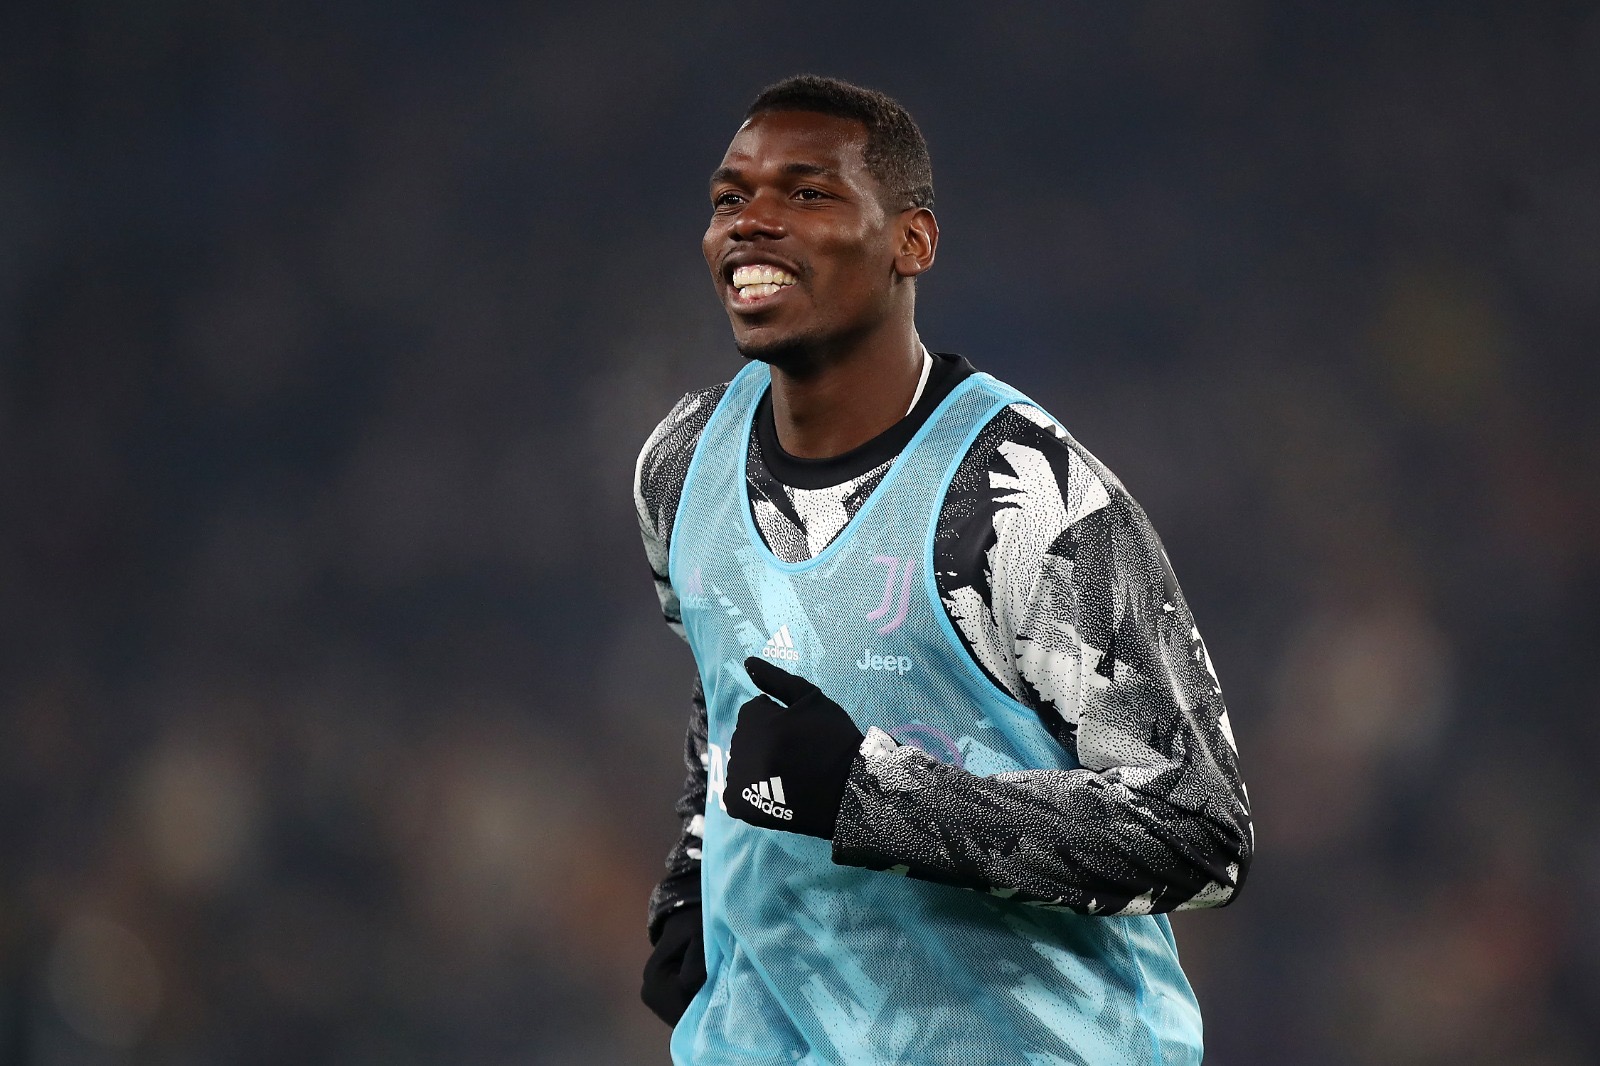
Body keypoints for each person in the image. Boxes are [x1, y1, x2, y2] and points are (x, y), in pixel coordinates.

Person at [633, 74, 1252, 1066]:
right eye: (729, 198)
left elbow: (1198, 825)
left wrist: (877, 801)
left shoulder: (1018, 494)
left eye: (806, 194)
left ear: (910, 242)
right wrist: (692, 884)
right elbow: (730, 701)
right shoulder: (681, 462)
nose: (750, 223)